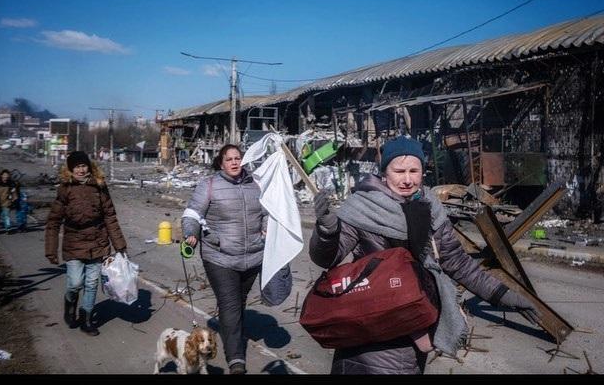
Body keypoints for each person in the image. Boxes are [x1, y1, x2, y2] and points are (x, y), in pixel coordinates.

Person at [309, 135, 540, 374]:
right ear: (384, 173)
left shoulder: (431, 208)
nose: (407, 180)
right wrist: (328, 231)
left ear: (423, 172)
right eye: (399, 171)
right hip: (370, 330)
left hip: (415, 327)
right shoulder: (361, 208)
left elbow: (458, 263)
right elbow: (326, 258)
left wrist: (503, 295)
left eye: (414, 170)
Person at [182, 144, 268, 375]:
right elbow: (192, 213)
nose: (234, 162)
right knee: (230, 306)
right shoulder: (208, 185)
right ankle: (236, 360)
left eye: (237, 158)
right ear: (221, 163)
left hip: (252, 256)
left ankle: (233, 333)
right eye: (229, 159)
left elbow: (268, 213)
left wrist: (267, 230)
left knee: (238, 302)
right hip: (219, 257)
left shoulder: (256, 185)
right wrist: (191, 232)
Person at [44, 151, 128, 336]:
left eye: (84, 166)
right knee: (75, 283)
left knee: (91, 283)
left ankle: (86, 319)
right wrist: (51, 249)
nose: (81, 170)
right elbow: (54, 221)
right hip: (73, 242)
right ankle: (70, 304)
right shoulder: (65, 189)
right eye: (77, 167)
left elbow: (110, 216)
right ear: (70, 169)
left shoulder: (99, 186)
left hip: (98, 241)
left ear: (89, 167)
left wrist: (119, 245)